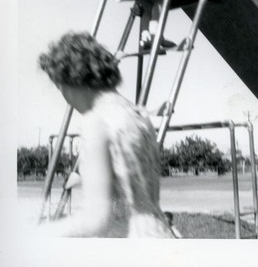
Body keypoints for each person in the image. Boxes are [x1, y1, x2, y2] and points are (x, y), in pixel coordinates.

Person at [38, 32, 174, 238]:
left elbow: (96, 219)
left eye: (60, 87)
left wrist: (32, 236)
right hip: (159, 234)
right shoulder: (138, 114)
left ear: (71, 79)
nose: (66, 98)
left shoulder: (96, 121)